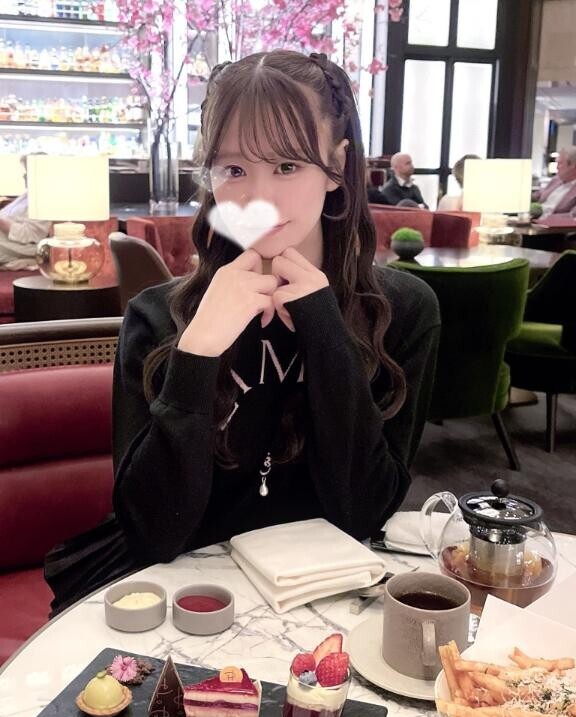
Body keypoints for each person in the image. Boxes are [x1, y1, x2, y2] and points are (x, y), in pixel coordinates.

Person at [46, 50, 440, 611]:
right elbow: (154, 532)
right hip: (186, 591)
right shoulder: (158, 315)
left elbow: (363, 511)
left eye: (287, 166)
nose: (258, 198)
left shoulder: (400, 309)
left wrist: (325, 334)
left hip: (327, 589)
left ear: (336, 166)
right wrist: (197, 351)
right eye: (234, 170)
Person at [0, 155, 51, 270]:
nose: (24, 176)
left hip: (16, 247)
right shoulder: (29, 194)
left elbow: (31, 235)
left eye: (27, 173)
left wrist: (2, 223)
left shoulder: (44, 200)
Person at [536, 146, 576, 215]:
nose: (557, 167)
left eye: (560, 163)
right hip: (533, 216)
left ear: (573, 165)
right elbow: (539, 194)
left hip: (552, 220)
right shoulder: (556, 179)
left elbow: (572, 216)